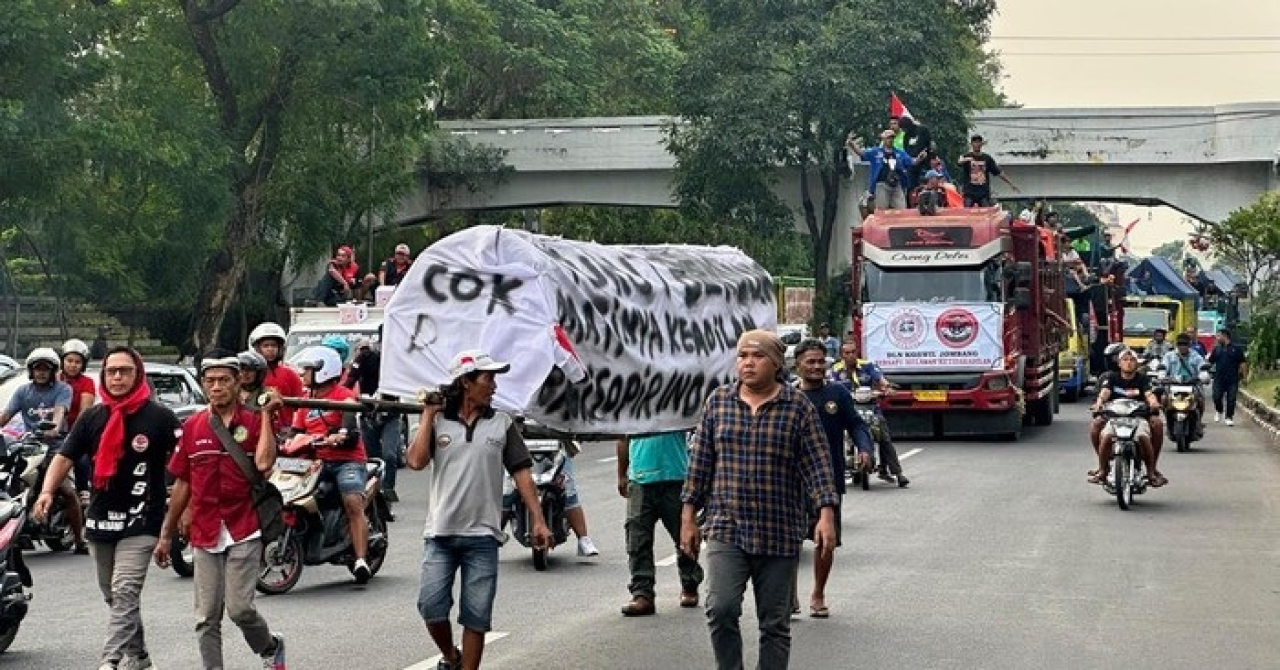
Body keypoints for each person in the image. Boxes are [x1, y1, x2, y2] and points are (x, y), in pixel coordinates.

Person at [680, 329, 839, 670]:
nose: (748, 363)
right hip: (726, 527)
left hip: (779, 531)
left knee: (775, 625)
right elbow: (700, 464)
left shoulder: (797, 408)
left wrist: (826, 515)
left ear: (776, 363)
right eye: (742, 356)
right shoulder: (718, 402)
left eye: (757, 356)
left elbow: (818, 465)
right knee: (720, 609)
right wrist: (688, 518)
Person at [35, 346, 179, 670]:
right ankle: (139, 656)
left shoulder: (159, 417)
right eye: (111, 371)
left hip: (143, 519)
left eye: (124, 371)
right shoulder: (92, 417)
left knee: (125, 589)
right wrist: (46, 491)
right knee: (113, 596)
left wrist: (182, 513)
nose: (117, 377)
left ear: (137, 374)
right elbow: (64, 456)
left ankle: (110, 660)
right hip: (101, 520)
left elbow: (184, 465)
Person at [407, 349, 552, 670]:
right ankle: (450, 656)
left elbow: (522, 474)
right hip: (440, 534)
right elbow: (416, 461)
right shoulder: (439, 420)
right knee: (431, 607)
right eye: (488, 378)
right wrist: (428, 416)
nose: (494, 385)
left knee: (477, 615)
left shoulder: (501, 423)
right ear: (466, 383)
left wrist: (538, 520)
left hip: (483, 537)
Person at [154, 352, 286, 670]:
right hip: (205, 530)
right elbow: (183, 483)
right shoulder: (193, 426)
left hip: (244, 526)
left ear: (238, 381)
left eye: (224, 380)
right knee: (205, 617)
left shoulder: (254, 420)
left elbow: (265, 464)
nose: (217, 387)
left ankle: (270, 647)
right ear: (203, 385)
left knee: (240, 609)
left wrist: (267, 416)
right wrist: (165, 535)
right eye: (210, 381)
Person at [790, 340, 873, 620]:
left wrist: (864, 448)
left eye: (820, 361)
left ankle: (818, 593)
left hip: (828, 480)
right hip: (790, 481)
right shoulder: (787, 396)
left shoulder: (837, 393)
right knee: (788, 540)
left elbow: (858, 425)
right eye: (809, 361)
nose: (815, 367)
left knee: (825, 541)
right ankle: (789, 593)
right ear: (797, 364)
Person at [287, 346, 373, 583]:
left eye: (308, 370)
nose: (303, 374)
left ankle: (360, 559)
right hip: (315, 461)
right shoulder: (304, 400)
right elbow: (294, 431)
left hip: (347, 461)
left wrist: (341, 435)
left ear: (324, 371)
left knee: (352, 501)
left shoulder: (344, 397)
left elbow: (350, 429)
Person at [0, 348, 87, 553]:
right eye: (37, 368)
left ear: (53, 371)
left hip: (57, 448)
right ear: (31, 370)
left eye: (45, 369)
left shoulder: (62, 389)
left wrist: (55, 427)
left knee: (66, 491)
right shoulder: (23, 391)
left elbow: (60, 412)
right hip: (29, 446)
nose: (40, 372)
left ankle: (79, 539)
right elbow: (5, 416)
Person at [616, 431, 704, 617]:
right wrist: (622, 474)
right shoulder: (631, 405)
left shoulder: (673, 402)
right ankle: (642, 593)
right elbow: (622, 436)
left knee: (684, 535)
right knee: (637, 539)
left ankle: (690, 582)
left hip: (675, 476)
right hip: (640, 478)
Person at [828, 341, 909, 486]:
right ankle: (834, 470)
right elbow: (829, 384)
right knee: (832, 435)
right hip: (846, 411)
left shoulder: (868, 366)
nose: (850, 356)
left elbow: (880, 379)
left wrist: (886, 388)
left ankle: (897, 473)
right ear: (841, 355)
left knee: (883, 436)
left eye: (853, 352)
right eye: (847, 353)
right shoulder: (835, 370)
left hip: (870, 408)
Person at [1089, 348, 1166, 487]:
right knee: (1101, 431)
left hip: (1138, 419)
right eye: (1125, 360)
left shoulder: (1142, 379)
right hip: (1115, 419)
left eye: (1132, 360)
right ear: (1119, 363)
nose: (1129, 363)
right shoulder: (1111, 378)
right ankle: (1103, 469)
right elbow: (1104, 392)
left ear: (1137, 363)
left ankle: (1151, 471)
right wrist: (1098, 403)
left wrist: (1154, 402)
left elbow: (1149, 394)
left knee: (1150, 430)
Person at [345, 337, 402, 504]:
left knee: (390, 455)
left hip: (391, 414)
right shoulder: (364, 357)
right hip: (368, 414)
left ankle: (388, 489)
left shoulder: (398, 360)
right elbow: (350, 381)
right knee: (371, 457)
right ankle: (372, 491)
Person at [249, 322, 305, 429]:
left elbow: (301, 405)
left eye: (274, 345)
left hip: (284, 429)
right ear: (257, 348)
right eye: (266, 346)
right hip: (254, 426)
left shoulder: (290, 374)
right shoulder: (250, 375)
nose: (270, 349)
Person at [61, 338, 98, 500]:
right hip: (52, 433)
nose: (73, 365)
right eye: (69, 360)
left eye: (77, 362)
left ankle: (84, 492)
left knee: (81, 459)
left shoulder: (87, 383)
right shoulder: (54, 380)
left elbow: (85, 411)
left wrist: (74, 435)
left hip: (77, 432)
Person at [849, 129, 914, 211]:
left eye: (892, 138)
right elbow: (862, 153)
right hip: (882, 185)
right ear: (883, 139)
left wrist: (919, 158)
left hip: (897, 185)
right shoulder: (875, 152)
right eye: (888, 138)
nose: (890, 140)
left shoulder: (899, 153)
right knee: (882, 210)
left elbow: (911, 161)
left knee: (901, 210)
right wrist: (852, 145)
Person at [1163, 334, 1207, 437]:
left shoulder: (1196, 356)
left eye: (1185, 344)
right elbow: (1163, 367)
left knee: (1200, 400)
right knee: (1164, 399)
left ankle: (1198, 422)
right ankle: (1168, 423)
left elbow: (1202, 368)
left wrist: (1203, 376)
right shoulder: (1169, 356)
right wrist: (1162, 376)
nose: (1182, 346)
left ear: (1189, 345)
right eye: (1180, 344)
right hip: (1174, 385)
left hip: (1192, 385)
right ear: (1176, 345)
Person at [957, 134, 1018, 207]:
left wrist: (1011, 184)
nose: (977, 144)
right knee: (967, 211)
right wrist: (965, 160)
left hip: (983, 193)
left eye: (978, 142)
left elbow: (999, 172)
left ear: (982, 144)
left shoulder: (987, 158)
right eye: (975, 142)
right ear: (971, 144)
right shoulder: (966, 156)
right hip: (969, 192)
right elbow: (959, 162)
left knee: (986, 211)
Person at [1207, 328, 1247, 426]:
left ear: (1225, 336)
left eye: (1219, 336)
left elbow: (1242, 363)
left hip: (1232, 378)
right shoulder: (1217, 349)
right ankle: (1219, 410)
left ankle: (1229, 417)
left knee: (1231, 398)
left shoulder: (1236, 349)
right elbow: (1210, 362)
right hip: (1219, 378)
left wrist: (1244, 377)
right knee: (1216, 397)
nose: (1217, 338)